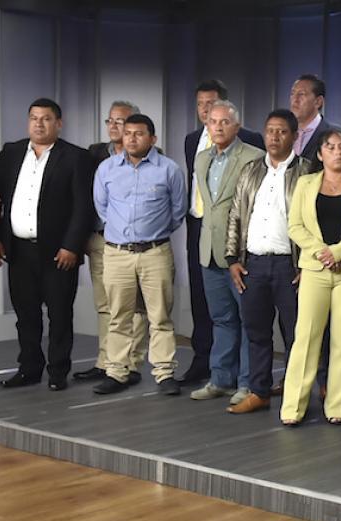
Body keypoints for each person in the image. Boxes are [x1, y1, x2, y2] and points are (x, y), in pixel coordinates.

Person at [0, 98, 94, 391]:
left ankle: (58, 371)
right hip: (18, 250)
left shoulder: (75, 157)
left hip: (59, 252)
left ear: (58, 124)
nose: (39, 123)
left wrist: (72, 246)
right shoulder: (11, 152)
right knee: (26, 315)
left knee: (60, 315)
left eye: (46, 118)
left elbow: (82, 207)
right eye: (34, 118)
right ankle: (29, 368)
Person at [280, 128, 341, 425]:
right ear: (320, 154)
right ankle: (292, 408)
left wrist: (338, 253)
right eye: (332, 147)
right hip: (314, 269)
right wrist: (323, 252)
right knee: (306, 337)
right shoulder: (306, 183)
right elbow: (295, 226)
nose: (338, 151)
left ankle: (336, 406)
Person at [91, 113, 187, 396]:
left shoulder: (168, 170)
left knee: (160, 316)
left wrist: (150, 233)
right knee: (118, 316)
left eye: (139, 133)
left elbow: (177, 212)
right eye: (127, 133)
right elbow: (103, 208)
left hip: (155, 252)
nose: (131, 138)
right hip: (117, 253)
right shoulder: (107, 169)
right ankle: (116, 372)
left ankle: (164, 373)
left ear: (153, 139)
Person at [224, 109, 311, 414]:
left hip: (291, 266)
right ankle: (259, 391)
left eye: (282, 132)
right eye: (270, 131)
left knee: (295, 334)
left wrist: (307, 264)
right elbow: (236, 215)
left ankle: (295, 393)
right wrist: (232, 258)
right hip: (253, 265)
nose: (274, 137)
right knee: (257, 332)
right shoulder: (250, 170)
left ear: (294, 136)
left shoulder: (307, 171)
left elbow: (317, 223)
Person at [182, 79, 263, 384]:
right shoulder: (200, 153)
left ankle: (246, 382)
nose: (215, 126)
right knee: (220, 318)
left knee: (246, 320)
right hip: (206, 244)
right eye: (211, 119)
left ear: (236, 124)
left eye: (223, 121)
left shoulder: (253, 154)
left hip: (240, 250)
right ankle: (219, 379)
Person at [75, 100, 148, 386]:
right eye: (111, 121)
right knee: (106, 305)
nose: (115, 127)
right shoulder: (95, 153)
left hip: (134, 244)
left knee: (136, 306)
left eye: (122, 121)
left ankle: (131, 364)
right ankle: (107, 362)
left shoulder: (150, 156)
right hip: (100, 240)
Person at [289, 74, 341, 167]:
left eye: (301, 94)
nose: (295, 100)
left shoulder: (338, 134)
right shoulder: (284, 133)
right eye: (292, 94)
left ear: (318, 101)